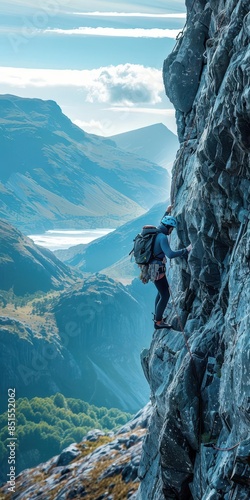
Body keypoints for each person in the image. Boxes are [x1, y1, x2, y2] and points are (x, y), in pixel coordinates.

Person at [151, 206, 192, 330]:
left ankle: (157, 317)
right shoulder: (162, 237)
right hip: (157, 269)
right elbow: (170, 254)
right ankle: (158, 322)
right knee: (165, 294)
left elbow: (163, 220)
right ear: (168, 228)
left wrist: (167, 211)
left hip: (152, 268)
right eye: (172, 229)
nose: (171, 231)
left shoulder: (157, 231)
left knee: (161, 292)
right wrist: (186, 250)